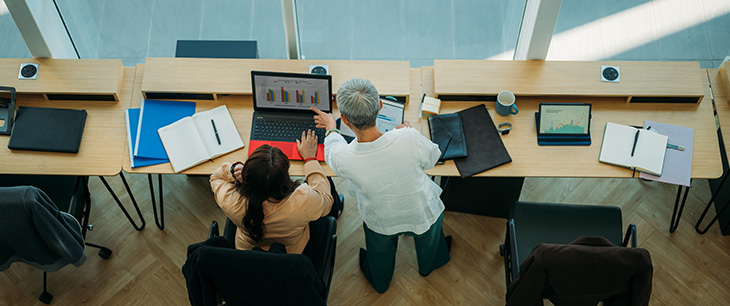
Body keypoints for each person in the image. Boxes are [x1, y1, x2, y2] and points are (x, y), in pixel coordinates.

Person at [311, 78, 451, 293]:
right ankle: (428, 266)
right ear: (381, 106)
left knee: (379, 253)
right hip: (422, 210)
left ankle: (380, 281)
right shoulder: (409, 137)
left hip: (381, 219)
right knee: (429, 241)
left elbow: (332, 150)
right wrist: (403, 133)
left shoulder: (344, 158)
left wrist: (331, 127)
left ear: (345, 121)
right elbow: (432, 159)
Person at [209, 130, 334, 254]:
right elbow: (326, 200)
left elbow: (216, 177)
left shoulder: (231, 202)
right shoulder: (304, 199)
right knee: (324, 179)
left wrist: (233, 170)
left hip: (247, 256)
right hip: (290, 256)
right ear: (285, 178)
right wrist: (310, 159)